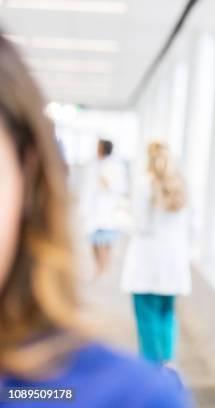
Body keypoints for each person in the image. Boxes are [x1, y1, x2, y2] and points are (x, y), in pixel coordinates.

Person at [0, 32, 192, 407]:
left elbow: (137, 217)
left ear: (29, 178)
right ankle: (165, 360)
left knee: (148, 314)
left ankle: (155, 356)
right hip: (167, 260)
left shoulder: (125, 397)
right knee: (164, 314)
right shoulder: (176, 187)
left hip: (144, 254)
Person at [121, 141, 191, 366]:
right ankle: (167, 365)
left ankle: (150, 367)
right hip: (174, 261)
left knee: (146, 317)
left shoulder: (144, 185)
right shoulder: (181, 185)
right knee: (166, 315)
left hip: (147, 262)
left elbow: (142, 225)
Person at [80, 138, 129, 276]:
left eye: (98, 147)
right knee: (94, 243)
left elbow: (121, 187)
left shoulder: (116, 166)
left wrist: (108, 185)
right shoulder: (93, 164)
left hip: (108, 211)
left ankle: (101, 268)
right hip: (93, 211)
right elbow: (87, 187)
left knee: (104, 243)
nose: (96, 149)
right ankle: (99, 265)